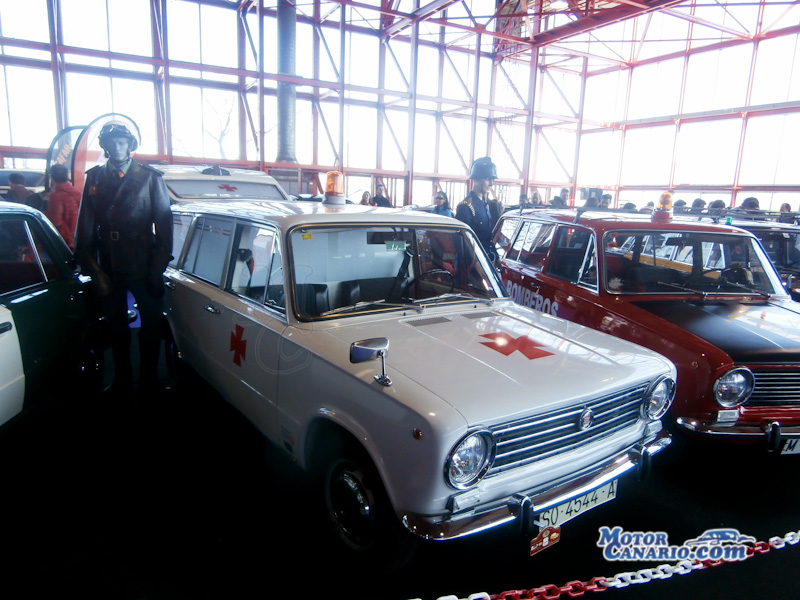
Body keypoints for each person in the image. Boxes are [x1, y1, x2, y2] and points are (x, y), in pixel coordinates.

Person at [74, 121, 173, 397]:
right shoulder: (95, 178)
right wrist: (95, 270)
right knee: (115, 326)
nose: (117, 147)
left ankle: (150, 380)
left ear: (130, 145)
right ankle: (122, 381)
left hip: (143, 261)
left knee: (151, 325)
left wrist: (156, 270)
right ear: (104, 147)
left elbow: (164, 229)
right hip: (110, 263)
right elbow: (84, 227)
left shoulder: (150, 177)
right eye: (111, 143)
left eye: (122, 142)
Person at [456, 157, 498, 257]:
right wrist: (476, 263)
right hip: (471, 262)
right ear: (476, 179)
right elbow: (461, 241)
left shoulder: (485, 205)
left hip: (485, 259)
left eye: (492, 179)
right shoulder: (466, 207)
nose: (491, 184)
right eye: (488, 179)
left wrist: (496, 258)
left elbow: (489, 238)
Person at [45, 163, 81, 249]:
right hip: (78, 238)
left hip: (65, 242)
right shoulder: (78, 193)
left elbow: (56, 222)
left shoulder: (55, 196)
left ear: (52, 177)